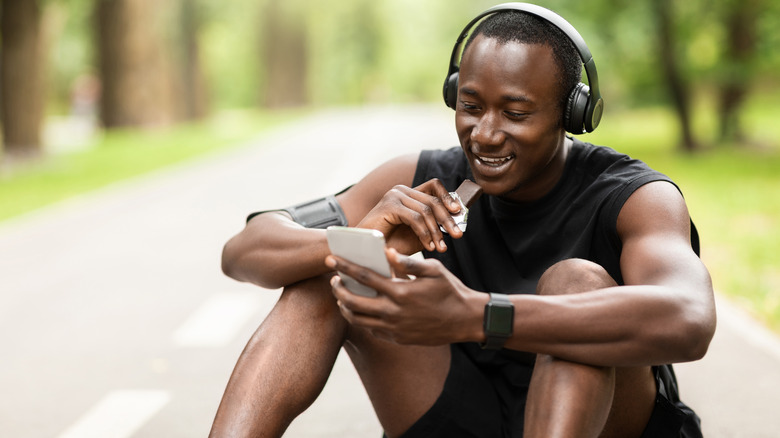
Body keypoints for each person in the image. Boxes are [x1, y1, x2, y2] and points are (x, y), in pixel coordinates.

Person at [210, 4, 716, 437]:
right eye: (471, 106)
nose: (486, 134)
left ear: (572, 114)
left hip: (603, 419)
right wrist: (360, 236)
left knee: (576, 281)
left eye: (516, 113)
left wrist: (477, 315)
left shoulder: (633, 196)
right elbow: (243, 251)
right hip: (462, 410)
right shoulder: (425, 178)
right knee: (331, 273)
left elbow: (689, 319)